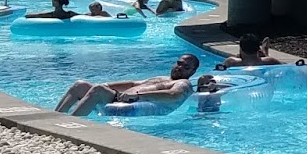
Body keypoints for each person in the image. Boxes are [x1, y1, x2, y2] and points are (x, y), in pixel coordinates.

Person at [55, 53, 201, 117]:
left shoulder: (184, 83)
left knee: (98, 91)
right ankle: (55, 117)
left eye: (185, 67)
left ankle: (70, 124)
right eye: (179, 63)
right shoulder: (162, 78)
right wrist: (107, 84)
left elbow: (173, 95)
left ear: (192, 72)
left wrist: (137, 96)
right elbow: (133, 83)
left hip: (129, 102)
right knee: (79, 85)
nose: (179, 68)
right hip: (120, 97)